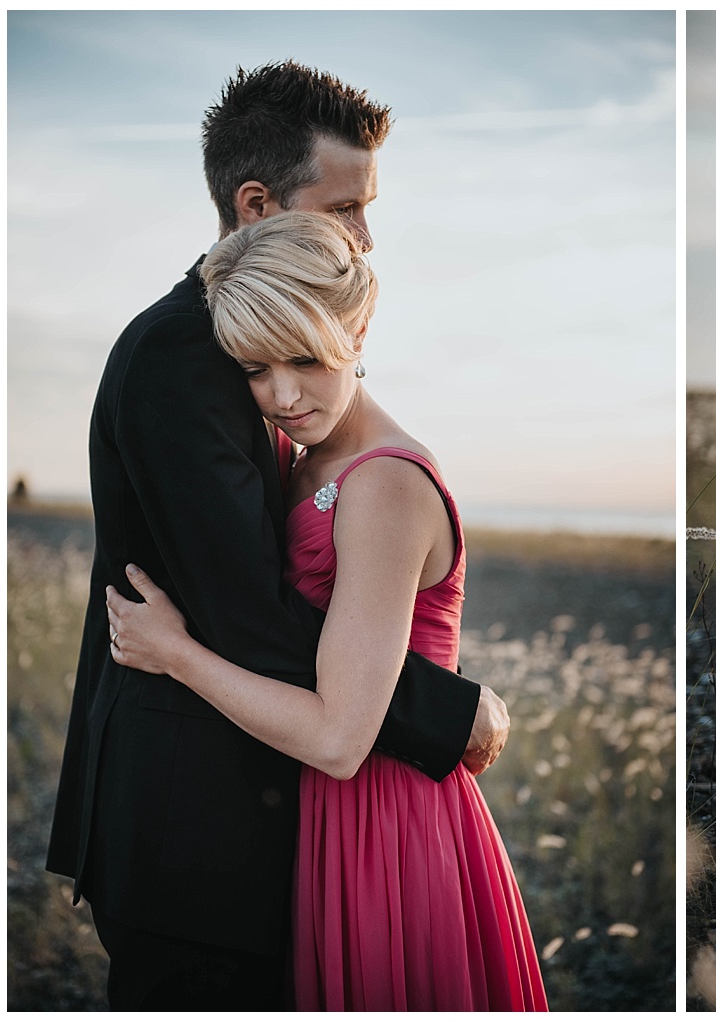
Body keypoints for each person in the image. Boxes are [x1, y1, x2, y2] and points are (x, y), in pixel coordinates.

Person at [45, 62, 512, 1009]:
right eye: (348, 208)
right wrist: (447, 714)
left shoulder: (253, 363)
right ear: (256, 204)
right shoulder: (186, 354)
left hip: (268, 807)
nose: (368, 240)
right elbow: (249, 612)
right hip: (192, 828)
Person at [106, 209, 549, 1009]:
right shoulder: (311, 459)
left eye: (305, 359)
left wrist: (176, 654)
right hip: (323, 818)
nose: (281, 394)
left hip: (387, 819)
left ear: (360, 325)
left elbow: (342, 739)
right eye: (255, 367)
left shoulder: (382, 484)